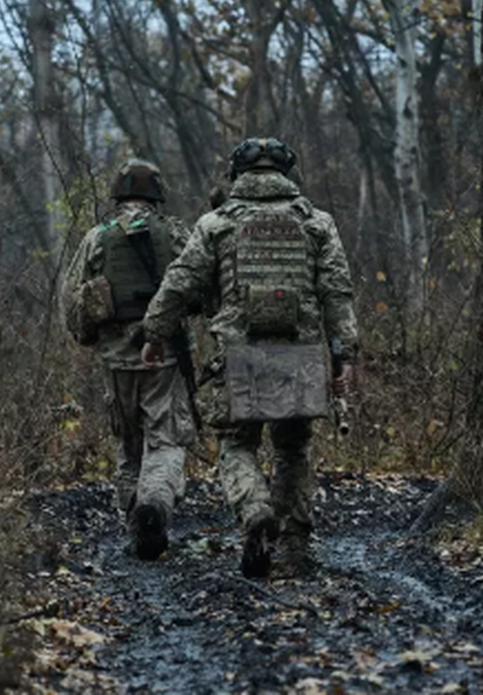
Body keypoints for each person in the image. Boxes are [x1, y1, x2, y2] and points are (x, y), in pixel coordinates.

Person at [140, 137, 358, 579]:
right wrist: (344, 355)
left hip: (238, 354)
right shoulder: (316, 223)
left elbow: (181, 282)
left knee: (237, 445)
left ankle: (256, 511)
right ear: (287, 173)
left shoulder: (217, 223)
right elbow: (337, 293)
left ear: (237, 174)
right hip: (299, 352)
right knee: (293, 449)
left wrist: (154, 332)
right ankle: (291, 546)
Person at [61, 158, 196, 561]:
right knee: (167, 438)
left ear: (117, 193)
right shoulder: (173, 233)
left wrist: (87, 337)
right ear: (157, 193)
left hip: (115, 357)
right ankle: (153, 503)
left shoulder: (98, 237)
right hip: (165, 353)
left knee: (128, 444)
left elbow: (73, 298)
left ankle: (135, 522)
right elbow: (198, 281)